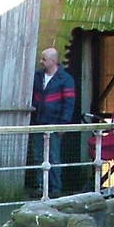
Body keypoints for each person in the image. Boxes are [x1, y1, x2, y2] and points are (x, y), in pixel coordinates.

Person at [28, 47, 77, 198]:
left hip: (55, 122)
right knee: (38, 155)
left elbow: (69, 102)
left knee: (53, 156)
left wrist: (63, 123)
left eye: (44, 59)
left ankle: (55, 188)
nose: (41, 62)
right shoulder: (37, 76)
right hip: (38, 121)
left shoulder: (66, 79)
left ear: (54, 61)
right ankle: (41, 186)